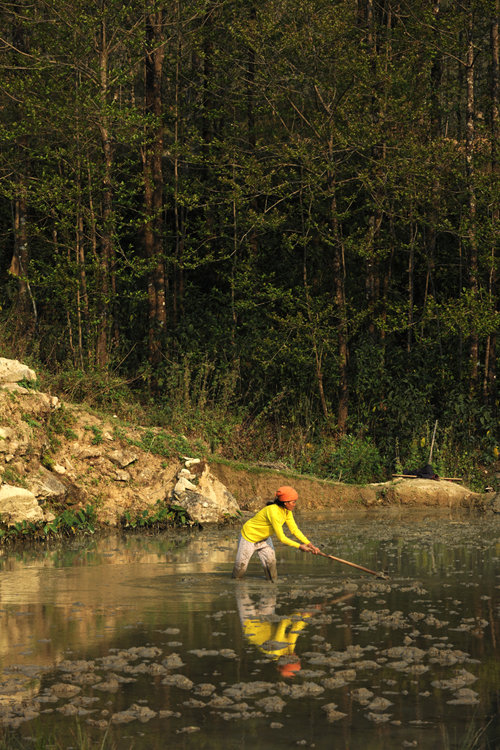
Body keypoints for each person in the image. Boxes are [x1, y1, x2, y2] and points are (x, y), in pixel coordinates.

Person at [231, 485, 320, 582]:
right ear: (285, 502)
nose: (295, 504)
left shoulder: (287, 511)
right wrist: (299, 546)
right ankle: (236, 587)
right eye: (293, 502)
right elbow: (281, 538)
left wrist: (309, 544)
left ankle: (271, 589)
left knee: (271, 566)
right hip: (248, 537)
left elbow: (294, 530)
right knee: (240, 570)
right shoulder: (273, 511)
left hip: (264, 539)